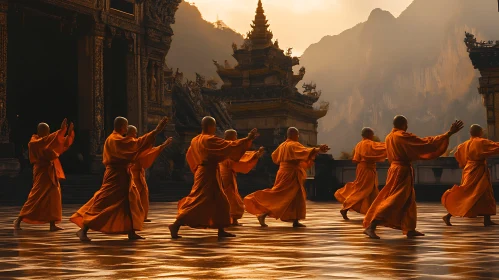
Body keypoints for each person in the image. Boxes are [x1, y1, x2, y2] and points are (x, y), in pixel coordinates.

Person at [363, 116, 463, 239]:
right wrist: (448, 134)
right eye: (407, 124)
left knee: (409, 199)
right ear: (404, 124)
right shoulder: (401, 136)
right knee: (396, 199)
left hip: (394, 169)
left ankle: (409, 229)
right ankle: (372, 225)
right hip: (401, 171)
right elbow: (424, 143)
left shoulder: (389, 137)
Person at [70, 116, 169, 241]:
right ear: (123, 127)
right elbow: (135, 144)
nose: (127, 129)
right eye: (126, 126)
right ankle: (83, 229)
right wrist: (155, 131)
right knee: (102, 203)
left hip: (124, 176)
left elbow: (134, 146)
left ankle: (131, 232)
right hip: (115, 176)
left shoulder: (115, 138)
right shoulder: (115, 139)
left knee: (131, 203)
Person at [168, 117, 259, 239]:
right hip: (208, 172)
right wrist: (247, 139)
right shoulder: (209, 139)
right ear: (211, 126)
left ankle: (221, 229)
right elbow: (228, 146)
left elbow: (189, 155)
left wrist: (197, 167)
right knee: (198, 201)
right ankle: (176, 224)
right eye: (214, 126)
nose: (215, 129)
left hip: (203, 171)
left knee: (221, 201)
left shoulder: (195, 140)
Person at [244, 127, 330, 228]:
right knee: (282, 196)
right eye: (297, 135)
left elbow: (274, 156)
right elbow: (304, 151)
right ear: (295, 135)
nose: (298, 137)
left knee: (296, 197)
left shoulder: (282, 145)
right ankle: (263, 214)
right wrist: (318, 149)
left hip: (283, 172)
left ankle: (295, 220)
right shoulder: (293, 144)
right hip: (291, 174)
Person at [14, 119, 74, 231]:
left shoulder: (47, 141)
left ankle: (52, 224)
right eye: (45, 130)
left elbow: (59, 144)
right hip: (42, 171)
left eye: (48, 131)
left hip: (50, 171)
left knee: (54, 196)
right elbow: (48, 141)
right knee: (36, 196)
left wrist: (67, 134)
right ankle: (18, 220)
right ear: (39, 131)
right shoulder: (33, 142)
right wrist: (61, 131)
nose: (47, 133)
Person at [442, 124, 498, 226]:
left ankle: (487, 219)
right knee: (469, 195)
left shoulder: (464, 145)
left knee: (485, 193)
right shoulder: (481, 142)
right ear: (480, 132)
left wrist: (466, 163)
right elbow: (495, 147)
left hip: (469, 170)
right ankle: (448, 215)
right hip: (478, 170)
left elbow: (458, 156)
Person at [334, 127, 386, 220]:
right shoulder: (369, 144)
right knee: (363, 190)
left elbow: (356, 158)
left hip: (362, 168)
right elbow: (379, 149)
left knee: (372, 191)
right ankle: (346, 207)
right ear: (370, 134)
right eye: (372, 134)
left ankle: (373, 212)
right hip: (367, 169)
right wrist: (391, 146)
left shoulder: (359, 144)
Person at [127, 125, 173, 222]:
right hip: (131, 174)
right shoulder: (128, 144)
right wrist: (159, 136)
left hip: (139, 174)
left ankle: (142, 216)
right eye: (134, 132)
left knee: (143, 195)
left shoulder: (135, 143)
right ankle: (132, 216)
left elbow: (146, 152)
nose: (136, 134)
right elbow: (144, 150)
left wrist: (163, 145)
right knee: (133, 197)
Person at [220, 129, 265, 226]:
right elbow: (238, 155)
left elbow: (240, 155)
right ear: (230, 136)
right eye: (235, 136)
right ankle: (230, 219)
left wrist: (255, 154)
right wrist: (248, 140)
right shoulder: (227, 146)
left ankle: (230, 219)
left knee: (230, 198)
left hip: (226, 174)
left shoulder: (227, 146)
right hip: (225, 175)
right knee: (231, 199)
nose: (236, 138)